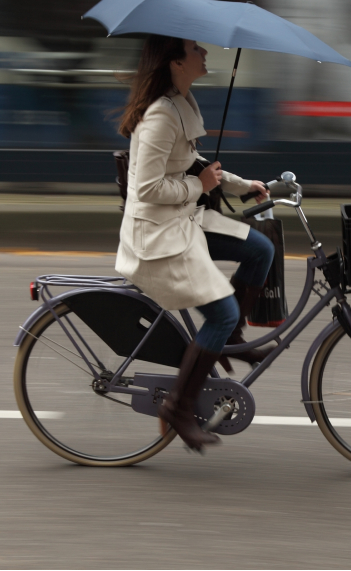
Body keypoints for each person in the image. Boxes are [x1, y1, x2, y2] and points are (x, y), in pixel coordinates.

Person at [115, 34, 275, 451]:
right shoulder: (160, 116)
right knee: (220, 313)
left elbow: (197, 165)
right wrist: (195, 186)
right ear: (175, 62)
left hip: (182, 219)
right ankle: (178, 407)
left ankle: (231, 338)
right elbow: (147, 188)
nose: (205, 54)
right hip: (158, 235)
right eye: (196, 50)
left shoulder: (181, 102)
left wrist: (241, 185)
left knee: (262, 249)